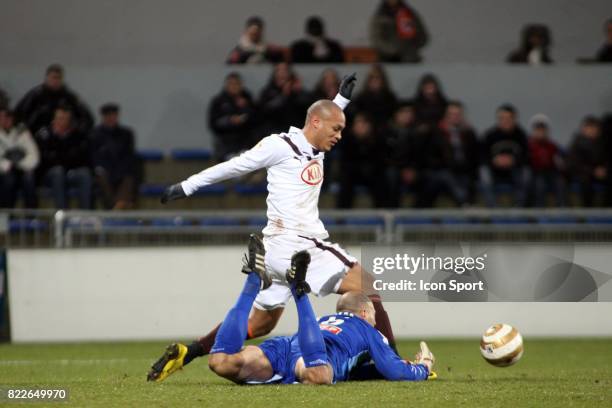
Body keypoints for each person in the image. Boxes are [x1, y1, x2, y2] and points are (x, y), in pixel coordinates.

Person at [148, 74, 402, 382]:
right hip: (301, 245)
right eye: (337, 129)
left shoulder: (315, 145)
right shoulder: (279, 146)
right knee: (369, 285)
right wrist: (186, 186)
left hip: (274, 251)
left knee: (262, 323)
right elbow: (234, 166)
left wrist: (341, 100)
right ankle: (395, 364)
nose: (339, 136)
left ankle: (192, 350)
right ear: (317, 124)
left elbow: (323, 115)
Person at [206, 250, 435, 384]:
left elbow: (359, 372)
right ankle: (299, 290)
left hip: (285, 347)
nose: (376, 321)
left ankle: (252, 285)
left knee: (221, 362)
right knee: (319, 374)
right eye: (374, 315)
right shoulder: (368, 329)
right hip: (312, 356)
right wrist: (423, 367)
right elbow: (394, 370)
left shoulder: (323, 321)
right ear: (364, 313)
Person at [34, 106, 92, 209]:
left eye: (66, 119)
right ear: (54, 119)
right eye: (60, 118)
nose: (63, 121)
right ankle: (63, 213)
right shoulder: (44, 135)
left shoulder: (76, 135)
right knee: (58, 171)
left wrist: (61, 158)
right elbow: (45, 160)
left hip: (70, 171)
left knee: (84, 173)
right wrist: (64, 158)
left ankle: (85, 214)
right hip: (49, 174)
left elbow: (81, 157)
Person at [425, 101, 479, 206]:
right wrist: (446, 164)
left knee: (473, 179)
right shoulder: (436, 132)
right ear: (446, 115)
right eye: (452, 114)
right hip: (441, 170)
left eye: (458, 114)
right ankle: (465, 203)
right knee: (447, 176)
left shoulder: (469, 133)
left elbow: (474, 156)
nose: (455, 117)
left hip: (463, 170)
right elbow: (430, 156)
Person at [14, 64, 94, 135]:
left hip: (64, 137)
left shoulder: (69, 97)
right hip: (37, 135)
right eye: (53, 78)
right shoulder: (35, 95)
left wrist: (75, 131)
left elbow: (87, 118)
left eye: (59, 78)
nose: (56, 81)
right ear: (47, 78)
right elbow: (19, 114)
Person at [89, 103, 138, 210]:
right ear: (103, 117)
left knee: (128, 177)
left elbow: (129, 156)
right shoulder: (94, 134)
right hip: (103, 171)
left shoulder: (126, 134)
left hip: (121, 171)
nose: (111, 118)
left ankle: (116, 208)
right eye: (108, 116)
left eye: (114, 115)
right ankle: (118, 207)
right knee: (101, 176)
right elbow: (95, 158)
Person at [480, 104, 529, 207]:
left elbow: (527, 156)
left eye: (508, 118)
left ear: (514, 119)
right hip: (494, 170)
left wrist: (513, 160)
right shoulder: (489, 135)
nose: (505, 121)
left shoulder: (521, 135)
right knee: (484, 174)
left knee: (526, 174)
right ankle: (493, 209)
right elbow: (481, 156)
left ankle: (519, 208)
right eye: (502, 118)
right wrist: (494, 160)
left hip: (514, 169)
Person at [336, 112, 388, 208]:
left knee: (381, 179)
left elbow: (380, 161)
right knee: (346, 179)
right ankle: (341, 215)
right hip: (354, 173)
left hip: (372, 172)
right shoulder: (347, 140)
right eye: (358, 123)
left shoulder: (377, 139)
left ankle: (382, 213)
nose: (361, 126)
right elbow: (345, 161)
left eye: (364, 123)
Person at [208, 72, 257, 161]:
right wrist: (230, 121)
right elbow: (213, 124)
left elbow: (257, 120)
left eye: (237, 84)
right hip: (226, 145)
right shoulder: (218, 101)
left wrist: (246, 108)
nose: (234, 87)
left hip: (246, 143)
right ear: (226, 85)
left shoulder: (248, 99)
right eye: (231, 84)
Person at [257, 63, 312, 136]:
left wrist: (298, 92)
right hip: (274, 131)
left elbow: (309, 109)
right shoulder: (268, 91)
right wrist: (284, 95)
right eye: (279, 70)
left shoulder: (298, 90)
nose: (282, 73)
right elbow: (264, 111)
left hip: (296, 131)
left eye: (284, 70)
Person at [0, 108, 39, 208]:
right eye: (2, 117)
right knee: (9, 180)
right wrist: (8, 164)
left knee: (29, 178)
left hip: (22, 169)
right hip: (4, 171)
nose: (5, 120)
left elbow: (34, 156)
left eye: (7, 117)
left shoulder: (22, 133)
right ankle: (6, 217)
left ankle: (31, 218)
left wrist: (19, 163)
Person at [526, 114, 566, 207]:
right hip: (536, 174)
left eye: (543, 129)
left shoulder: (552, 146)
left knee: (560, 183)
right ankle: (539, 212)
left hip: (551, 173)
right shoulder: (529, 146)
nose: (541, 132)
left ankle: (562, 211)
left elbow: (561, 161)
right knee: (539, 185)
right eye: (538, 129)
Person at [568, 116, 608, 207]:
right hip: (584, 174)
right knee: (585, 183)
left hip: (601, 173)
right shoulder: (576, 143)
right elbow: (574, 164)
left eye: (595, 127)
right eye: (589, 127)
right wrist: (593, 171)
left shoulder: (603, 143)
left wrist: (604, 170)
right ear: (583, 129)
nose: (592, 130)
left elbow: (606, 160)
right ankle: (587, 213)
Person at [351, 64, 397, 130]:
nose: (375, 81)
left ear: (383, 80)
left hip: (385, 129)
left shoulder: (390, 98)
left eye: (378, 78)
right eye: (372, 78)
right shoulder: (360, 98)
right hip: (365, 129)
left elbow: (393, 117)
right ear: (368, 80)